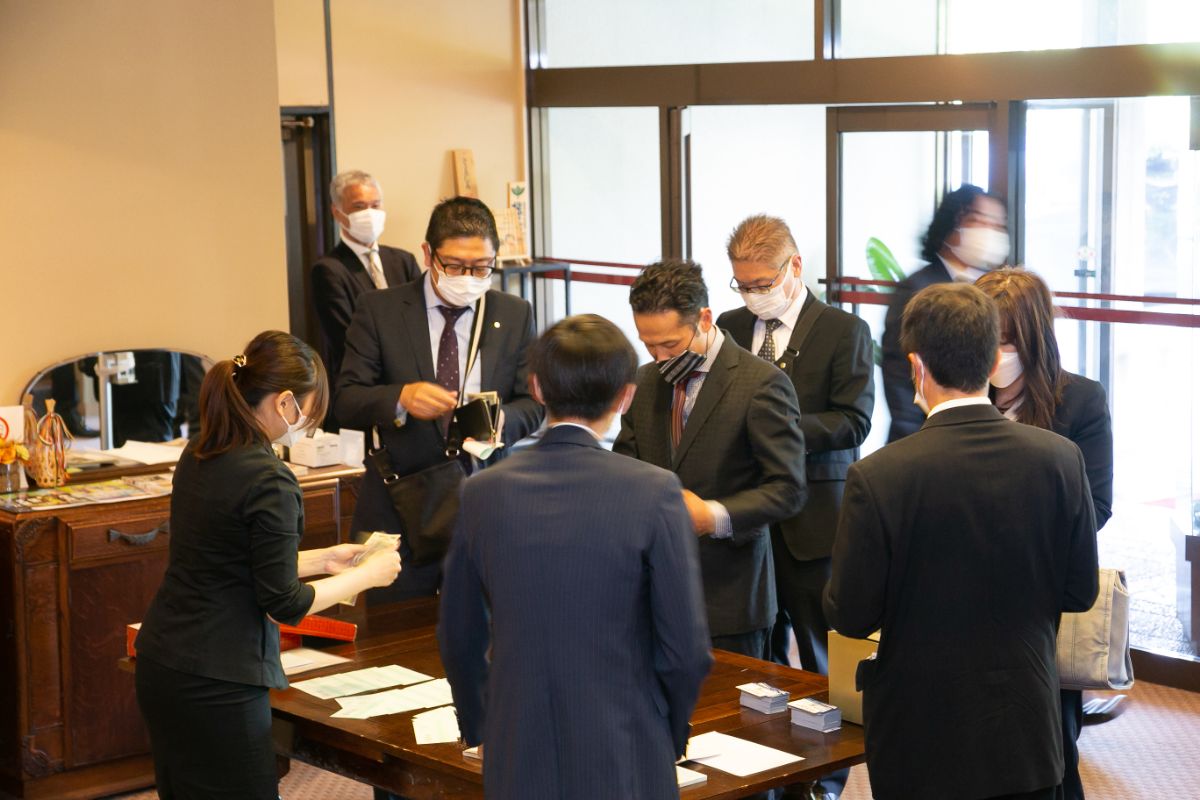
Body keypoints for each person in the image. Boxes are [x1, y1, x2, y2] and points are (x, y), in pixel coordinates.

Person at [823, 283, 1099, 800]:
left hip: (921, 731)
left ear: (916, 367)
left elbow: (851, 615)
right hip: (1027, 724)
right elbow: (1079, 592)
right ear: (992, 360)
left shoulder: (879, 476)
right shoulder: (1060, 459)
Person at [439, 314, 713, 800]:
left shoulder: (482, 491)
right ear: (626, 396)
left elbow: (461, 634)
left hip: (516, 742)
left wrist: (483, 730)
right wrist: (666, 734)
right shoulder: (654, 491)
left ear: (537, 388)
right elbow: (685, 648)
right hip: (627, 741)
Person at [134, 331, 401, 800]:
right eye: (309, 412)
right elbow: (285, 604)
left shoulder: (201, 451)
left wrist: (325, 559)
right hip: (219, 676)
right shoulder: (270, 478)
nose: (309, 426)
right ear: (284, 403)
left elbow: (228, 558)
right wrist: (367, 576)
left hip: (163, 661)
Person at [336, 196, 544, 602]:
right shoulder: (380, 309)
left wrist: (502, 421)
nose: (468, 277)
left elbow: (534, 403)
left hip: (482, 498)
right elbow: (345, 398)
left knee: (483, 623)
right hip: (399, 500)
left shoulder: (514, 313)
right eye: (455, 266)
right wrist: (401, 397)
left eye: (481, 267)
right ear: (428, 254)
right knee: (393, 622)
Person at [613, 259, 807, 659]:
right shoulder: (646, 381)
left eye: (670, 344)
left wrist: (714, 516)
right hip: (653, 594)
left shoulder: (761, 383)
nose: (659, 356)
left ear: (704, 319)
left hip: (730, 600)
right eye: (648, 344)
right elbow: (625, 465)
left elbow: (788, 489)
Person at [976, 267, 1113, 800]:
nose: (996, 355)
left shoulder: (1079, 400)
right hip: (966, 597)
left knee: (1049, 746)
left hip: (1041, 597)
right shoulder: (961, 395)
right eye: (987, 340)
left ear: (1035, 339)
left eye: (1007, 342)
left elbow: (1096, 507)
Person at [717, 214, 874, 676]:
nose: (753, 295)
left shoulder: (843, 330)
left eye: (763, 284)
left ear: (795, 266)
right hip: (746, 513)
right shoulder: (729, 325)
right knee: (754, 653)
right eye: (743, 286)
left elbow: (854, 421)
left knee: (822, 650)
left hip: (813, 517)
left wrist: (777, 429)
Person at [881, 184, 1009, 442]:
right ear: (952, 224)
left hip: (981, 436)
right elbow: (900, 377)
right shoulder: (918, 288)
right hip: (925, 438)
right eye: (980, 221)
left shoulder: (993, 287)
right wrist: (915, 441)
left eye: (997, 225)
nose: (990, 231)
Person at [311, 170, 421, 429]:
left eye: (375, 205)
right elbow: (348, 339)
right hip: (362, 394)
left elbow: (423, 322)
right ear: (338, 212)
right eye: (359, 207)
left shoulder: (403, 261)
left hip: (411, 392)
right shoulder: (329, 270)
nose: (369, 213)